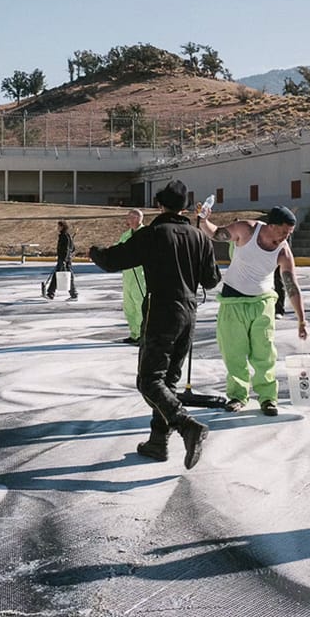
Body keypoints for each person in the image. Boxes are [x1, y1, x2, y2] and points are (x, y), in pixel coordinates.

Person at [89, 180, 220, 469]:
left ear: (160, 205)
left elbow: (114, 260)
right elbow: (212, 280)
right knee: (168, 381)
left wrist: (94, 251)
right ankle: (158, 442)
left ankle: (186, 426)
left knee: (148, 380)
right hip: (189, 313)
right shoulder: (199, 238)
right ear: (184, 208)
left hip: (162, 310)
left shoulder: (154, 233)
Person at [199, 206, 308, 415]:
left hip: (262, 303)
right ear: (271, 226)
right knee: (234, 352)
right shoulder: (247, 230)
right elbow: (216, 233)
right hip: (233, 301)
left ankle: (268, 398)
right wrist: (204, 220)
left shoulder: (283, 251)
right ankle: (238, 396)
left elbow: (291, 285)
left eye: (289, 234)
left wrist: (301, 319)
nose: (285, 237)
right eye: (283, 232)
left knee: (264, 353)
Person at [116, 209, 146, 345]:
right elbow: (117, 250)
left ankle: (142, 334)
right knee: (129, 306)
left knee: (140, 305)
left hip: (140, 276)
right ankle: (134, 333)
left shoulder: (145, 234)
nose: (132, 220)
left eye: (135, 217)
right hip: (127, 276)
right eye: (130, 217)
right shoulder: (125, 235)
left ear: (141, 219)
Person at [45, 220, 78, 300]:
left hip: (64, 260)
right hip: (64, 259)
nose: (57, 228)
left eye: (59, 226)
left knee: (66, 276)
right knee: (58, 276)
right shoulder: (66, 236)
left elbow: (67, 249)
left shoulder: (65, 236)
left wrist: (64, 260)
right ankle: (51, 293)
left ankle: (73, 294)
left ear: (62, 227)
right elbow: (73, 248)